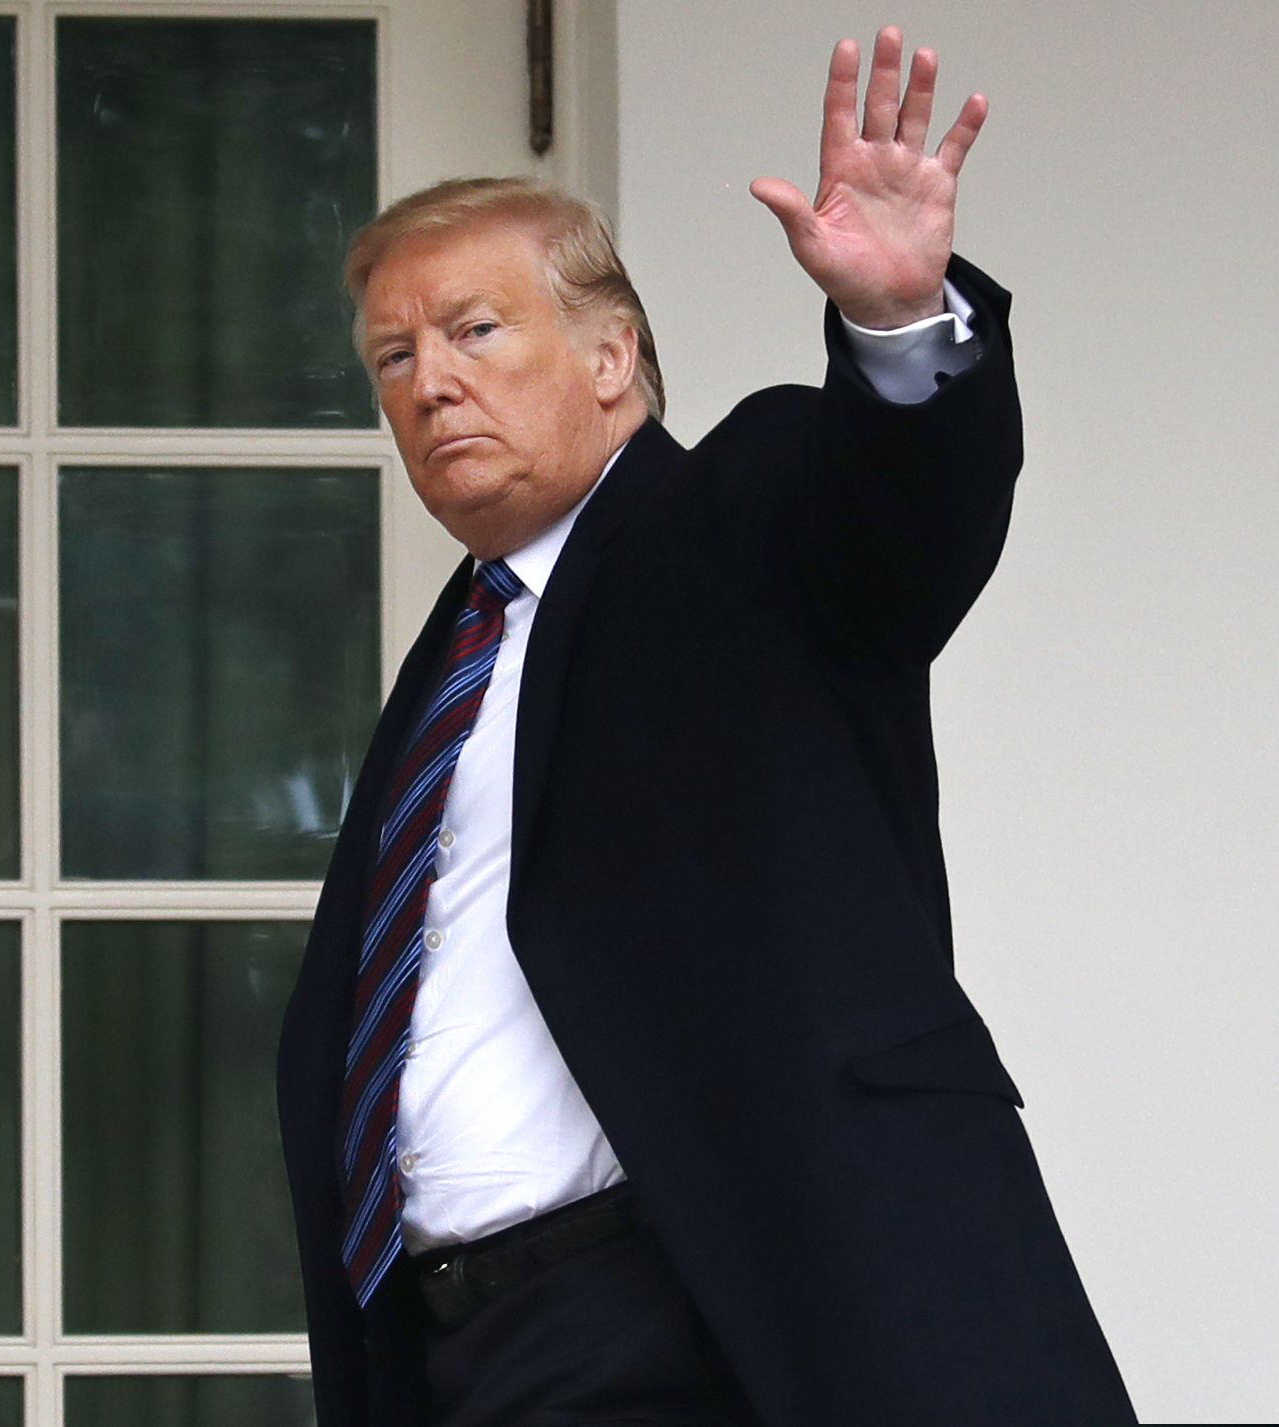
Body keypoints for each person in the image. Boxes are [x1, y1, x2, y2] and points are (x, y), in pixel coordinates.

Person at [276, 27, 1137, 1427]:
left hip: (698, 1309)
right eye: (394, 353)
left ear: (612, 355)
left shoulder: (728, 524)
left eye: (475, 330)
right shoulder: (456, 661)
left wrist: (900, 325)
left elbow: (899, 512)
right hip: (462, 1349)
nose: (430, 382)